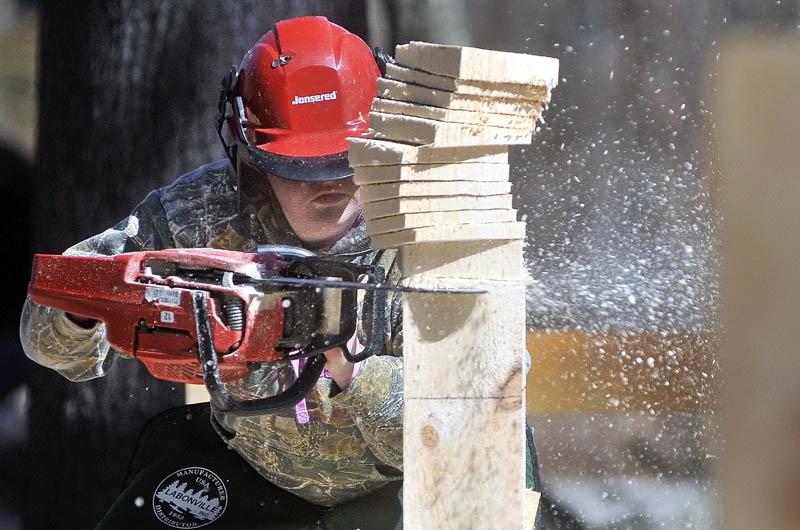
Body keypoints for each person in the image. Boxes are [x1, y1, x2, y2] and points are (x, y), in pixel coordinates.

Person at [20, 16, 540, 530]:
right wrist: (87, 306)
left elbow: (473, 422)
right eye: (301, 168)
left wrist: (354, 368)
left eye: (348, 160)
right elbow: (50, 343)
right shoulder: (202, 212)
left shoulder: (446, 224)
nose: (330, 186)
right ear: (252, 157)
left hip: (419, 482)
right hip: (257, 476)